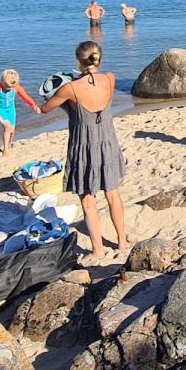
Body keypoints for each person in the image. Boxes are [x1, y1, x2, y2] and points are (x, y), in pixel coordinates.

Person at [39, 41, 129, 264]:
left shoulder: (70, 89)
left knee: (88, 201)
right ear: (99, 58)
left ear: (78, 61)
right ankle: (122, 242)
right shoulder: (110, 78)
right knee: (113, 195)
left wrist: (66, 100)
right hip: (108, 140)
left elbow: (45, 108)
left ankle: (98, 250)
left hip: (84, 144)